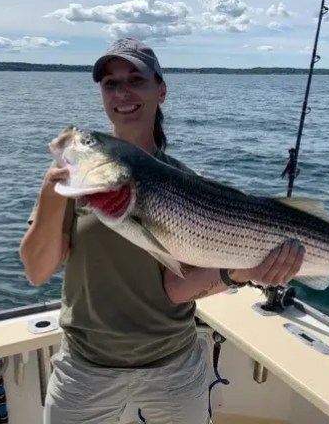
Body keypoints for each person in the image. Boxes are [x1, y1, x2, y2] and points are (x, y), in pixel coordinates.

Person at [19, 37, 306, 424]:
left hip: (173, 367)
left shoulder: (189, 184)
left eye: (136, 80)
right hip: (84, 368)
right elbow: (37, 272)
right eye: (110, 83)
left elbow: (176, 289)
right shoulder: (73, 182)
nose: (123, 92)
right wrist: (51, 193)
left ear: (161, 90)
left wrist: (247, 270)